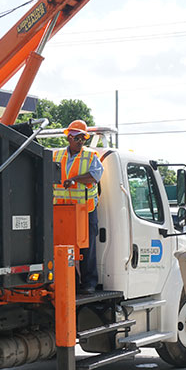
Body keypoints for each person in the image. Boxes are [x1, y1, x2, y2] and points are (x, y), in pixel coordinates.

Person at [52, 120, 104, 293]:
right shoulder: (56, 155)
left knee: (86, 247)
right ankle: (71, 280)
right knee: (65, 246)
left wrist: (74, 180)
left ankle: (89, 283)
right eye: (76, 137)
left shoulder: (90, 156)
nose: (80, 140)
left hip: (85, 209)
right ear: (69, 137)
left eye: (83, 137)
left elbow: (95, 175)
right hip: (63, 209)